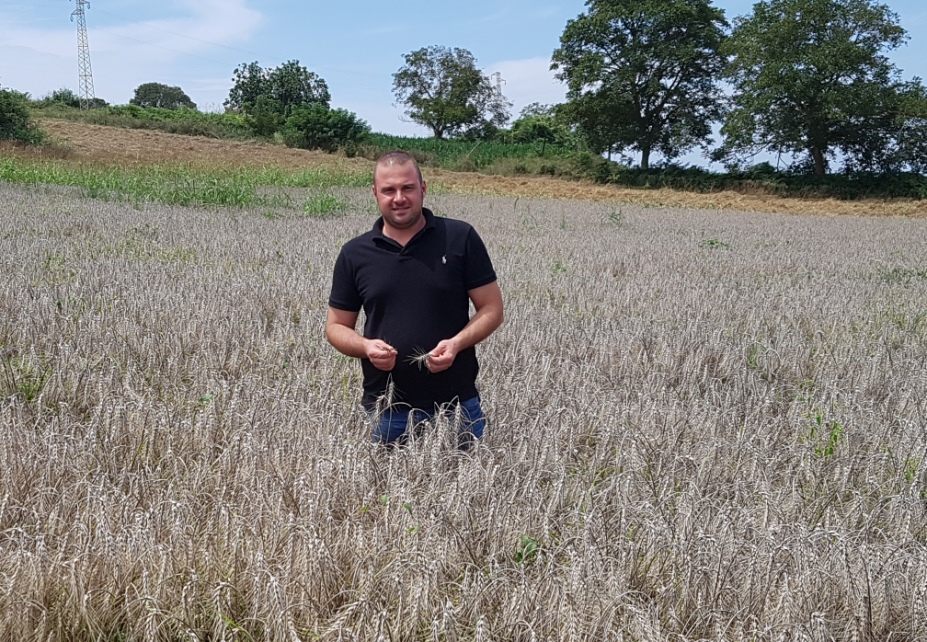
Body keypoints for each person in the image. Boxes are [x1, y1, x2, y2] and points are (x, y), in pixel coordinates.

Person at [326, 150, 503, 447]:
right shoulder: (355, 254)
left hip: (457, 404)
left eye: (407, 187)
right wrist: (366, 347)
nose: (399, 198)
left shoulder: (460, 238)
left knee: (467, 489)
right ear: (375, 193)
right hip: (386, 407)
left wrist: (456, 344)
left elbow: (492, 309)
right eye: (389, 190)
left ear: (423, 188)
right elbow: (335, 327)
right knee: (382, 489)